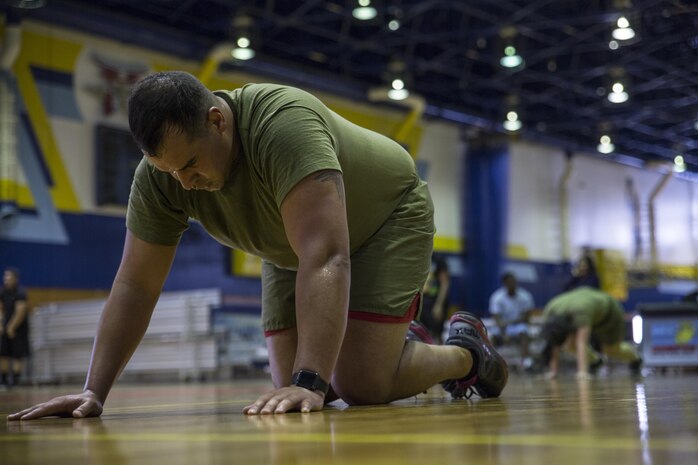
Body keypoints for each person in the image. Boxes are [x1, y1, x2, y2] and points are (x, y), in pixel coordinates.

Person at [8, 71, 507, 420]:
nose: (183, 183)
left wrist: (312, 380)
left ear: (218, 121)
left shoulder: (282, 124)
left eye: (191, 165)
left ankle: (467, 353)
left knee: (356, 386)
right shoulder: (164, 176)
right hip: (291, 250)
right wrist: (94, 392)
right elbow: (135, 284)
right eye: (168, 171)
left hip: (382, 220)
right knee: (291, 386)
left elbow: (328, 254)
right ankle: (386, 340)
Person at [540, 287, 642, 380]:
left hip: (610, 313)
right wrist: (553, 372)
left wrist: (582, 372)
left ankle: (636, 358)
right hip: (587, 311)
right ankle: (595, 361)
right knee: (568, 346)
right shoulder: (549, 313)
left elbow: (582, 342)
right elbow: (554, 342)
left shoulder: (581, 312)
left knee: (611, 350)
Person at [488, 272, 535, 369]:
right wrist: (504, 333)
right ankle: (491, 362)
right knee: (492, 337)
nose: (512, 284)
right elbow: (497, 318)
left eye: (514, 282)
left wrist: (510, 323)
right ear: (504, 283)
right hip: (502, 326)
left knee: (524, 332)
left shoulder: (525, 296)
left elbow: (526, 317)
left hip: (517, 325)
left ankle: (525, 362)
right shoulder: (497, 297)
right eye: (509, 282)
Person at [0, 267, 30, 389]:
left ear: (15, 279)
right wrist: (1, 324)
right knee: (3, 354)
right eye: (5, 276)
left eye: (9, 277)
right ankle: (4, 380)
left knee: (17, 355)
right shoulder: (2, 291)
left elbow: (20, 312)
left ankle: (15, 382)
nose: (6, 279)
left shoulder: (20, 292)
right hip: (5, 326)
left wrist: (11, 327)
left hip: (18, 329)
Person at [419, 253, 450, 343]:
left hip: (434, 303)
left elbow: (445, 283)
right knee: (421, 334)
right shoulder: (419, 258)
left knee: (436, 335)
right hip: (422, 303)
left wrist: (439, 305)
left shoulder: (438, 259)